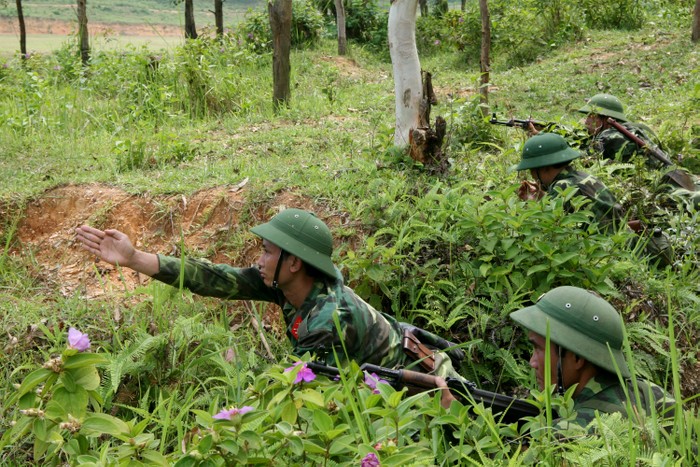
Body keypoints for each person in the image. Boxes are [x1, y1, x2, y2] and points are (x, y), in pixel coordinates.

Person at [75, 208, 464, 375]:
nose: (258, 260)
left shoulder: (328, 319)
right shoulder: (292, 285)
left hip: (423, 387)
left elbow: (301, 387)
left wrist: (238, 370)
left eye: (267, 251)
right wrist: (133, 257)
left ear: (294, 263)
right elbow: (214, 278)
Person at [437, 286, 676, 430]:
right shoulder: (652, 394)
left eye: (539, 349)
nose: (532, 362)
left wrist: (457, 422)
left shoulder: (572, 433)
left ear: (577, 358)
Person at [515, 132, 624, 230]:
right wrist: (542, 198)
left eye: (531, 169)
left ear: (543, 167)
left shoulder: (562, 186)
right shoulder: (584, 176)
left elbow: (548, 227)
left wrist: (531, 204)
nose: (532, 175)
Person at [578, 93, 666, 169]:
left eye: (591, 116)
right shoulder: (632, 128)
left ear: (605, 118)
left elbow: (584, 160)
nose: (586, 121)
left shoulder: (607, 136)